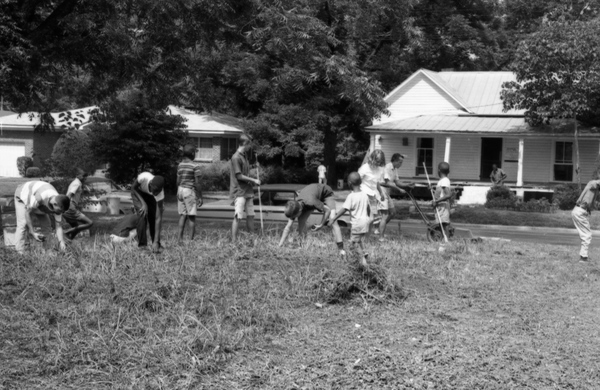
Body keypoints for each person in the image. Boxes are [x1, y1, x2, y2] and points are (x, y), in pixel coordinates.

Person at [279, 183, 345, 258]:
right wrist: (280, 245)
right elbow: (288, 227)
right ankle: (303, 245)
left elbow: (327, 210)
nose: (293, 218)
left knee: (333, 219)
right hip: (311, 197)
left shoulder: (311, 202)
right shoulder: (295, 207)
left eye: (294, 216)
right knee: (301, 220)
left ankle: (341, 250)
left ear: (300, 210)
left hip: (326, 193)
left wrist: (321, 225)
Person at [13, 181, 70, 254]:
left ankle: (47, 251)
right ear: (55, 204)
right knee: (23, 224)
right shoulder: (40, 197)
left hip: (39, 204)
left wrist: (62, 244)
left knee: (47, 226)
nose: (60, 213)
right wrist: (32, 232)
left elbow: (58, 227)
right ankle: (19, 253)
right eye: (60, 211)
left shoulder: (59, 203)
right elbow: (28, 212)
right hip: (22, 195)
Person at [329, 172, 371, 266]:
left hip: (357, 223)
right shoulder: (364, 195)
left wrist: (334, 218)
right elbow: (368, 208)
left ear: (349, 183)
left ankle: (364, 263)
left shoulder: (351, 196)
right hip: (365, 222)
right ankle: (364, 252)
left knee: (354, 243)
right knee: (358, 239)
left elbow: (344, 209)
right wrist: (367, 218)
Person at [230, 134, 261, 243]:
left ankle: (251, 239)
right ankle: (233, 242)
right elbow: (239, 176)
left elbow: (244, 171)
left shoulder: (244, 156)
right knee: (238, 216)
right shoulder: (236, 157)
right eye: (249, 145)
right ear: (244, 143)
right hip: (239, 191)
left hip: (248, 191)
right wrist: (254, 180)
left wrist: (254, 166)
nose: (250, 147)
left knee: (251, 215)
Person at [131, 172, 165, 253]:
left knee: (153, 217)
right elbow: (133, 188)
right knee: (142, 214)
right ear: (151, 185)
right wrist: (143, 203)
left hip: (149, 196)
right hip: (137, 193)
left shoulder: (160, 193)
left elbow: (158, 218)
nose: (156, 193)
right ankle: (142, 246)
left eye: (158, 191)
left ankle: (156, 243)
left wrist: (156, 241)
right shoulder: (144, 177)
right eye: (155, 190)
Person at [358, 149, 388, 240]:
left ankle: (366, 239)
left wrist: (381, 192)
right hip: (363, 194)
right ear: (372, 158)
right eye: (377, 161)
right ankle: (359, 237)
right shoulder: (364, 168)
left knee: (371, 219)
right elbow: (356, 181)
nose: (379, 163)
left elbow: (376, 182)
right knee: (363, 218)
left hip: (373, 195)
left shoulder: (379, 169)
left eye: (380, 161)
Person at [382, 153, 413, 233]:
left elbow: (397, 182)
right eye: (400, 162)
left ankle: (380, 228)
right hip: (381, 193)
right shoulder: (387, 167)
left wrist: (407, 185)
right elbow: (388, 183)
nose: (401, 164)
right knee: (383, 215)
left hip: (387, 193)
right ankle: (379, 230)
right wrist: (399, 189)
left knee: (392, 213)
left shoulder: (395, 169)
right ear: (395, 161)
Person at [177, 144, 203, 242]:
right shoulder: (195, 166)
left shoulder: (180, 165)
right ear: (192, 154)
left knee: (183, 215)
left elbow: (177, 180)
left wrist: (178, 191)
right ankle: (191, 241)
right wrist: (200, 196)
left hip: (180, 190)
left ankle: (179, 239)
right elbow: (197, 183)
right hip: (189, 191)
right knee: (191, 216)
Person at [571, 177, 600, 261]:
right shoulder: (592, 183)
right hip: (580, 212)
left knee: (585, 235)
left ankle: (583, 256)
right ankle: (583, 258)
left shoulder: (594, 189)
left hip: (581, 211)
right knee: (586, 235)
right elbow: (595, 183)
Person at [63, 168, 94, 239]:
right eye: (83, 176)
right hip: (70, 207)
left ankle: (68, 241)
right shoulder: (76, 184)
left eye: (86, 176)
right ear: (77, 175)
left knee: (76, 228)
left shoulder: (76, 183)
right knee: (89, 223)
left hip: (68, 207)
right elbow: (69, 195)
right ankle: (66, 232)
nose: (85, 178)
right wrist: (67, 206)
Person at [432, 162, 453, 233]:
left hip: (443, 205)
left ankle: (446, 239)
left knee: (444, 223)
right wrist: (432, 190)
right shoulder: (442, 181)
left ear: (439, 170)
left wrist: (437, 201)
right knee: (440, 222)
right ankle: (442, 238)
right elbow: (441, 193)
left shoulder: (444, 181)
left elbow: (448, 194)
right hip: (441, 205)